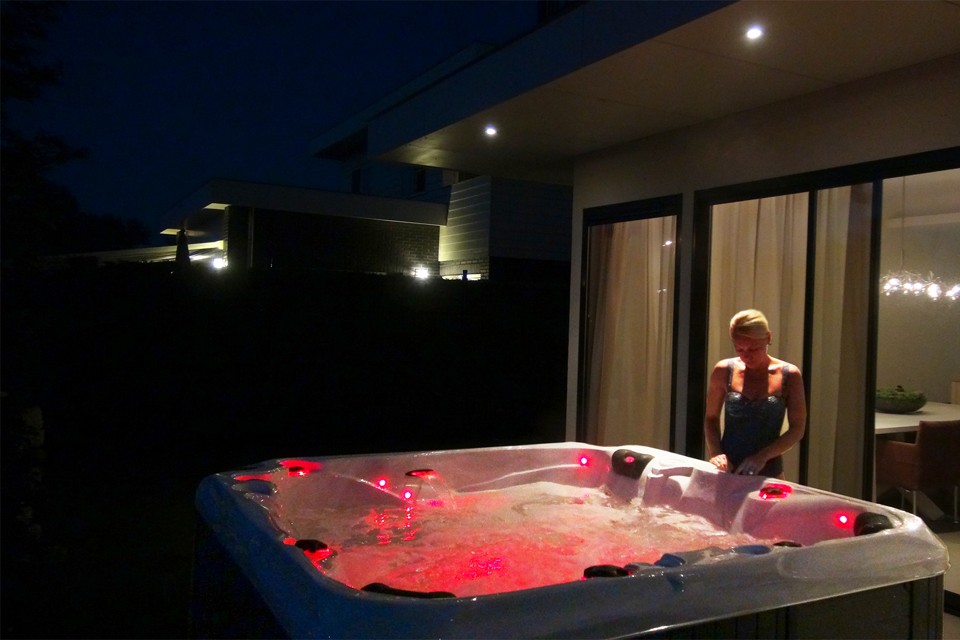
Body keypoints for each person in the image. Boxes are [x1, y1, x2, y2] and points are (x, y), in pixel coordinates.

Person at [704, 309, 806, 479]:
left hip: (769, 472)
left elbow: (797, 428)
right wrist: (716, 453)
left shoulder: (789, 375)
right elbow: (711, 418)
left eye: (753, 349)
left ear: (768, 337)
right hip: (728, 471)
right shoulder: (724, 370)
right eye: (740, 349)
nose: (746, 356)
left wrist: (762, 457)